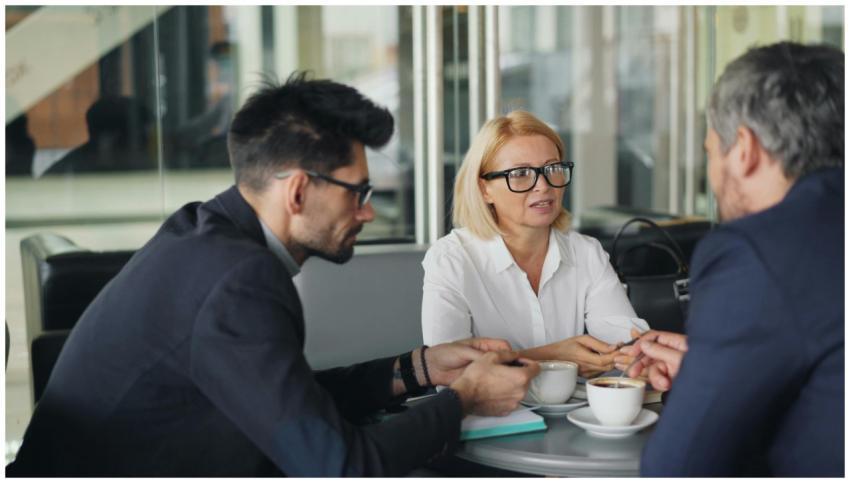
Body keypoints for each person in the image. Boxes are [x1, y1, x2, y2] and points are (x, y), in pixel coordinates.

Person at [7, 72, 539, 477]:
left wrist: (419, 369)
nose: (368, 213)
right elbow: (339, 467)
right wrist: (463, 399)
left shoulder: (208, 232)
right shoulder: (238, 280)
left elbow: (290, 404)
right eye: (358, 193)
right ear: (299, 192)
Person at [620, 42, 844, 476]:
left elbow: (677, 468)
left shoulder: (754, 251)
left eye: (710, 152)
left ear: (744, 148)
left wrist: (704, 385)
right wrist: (718, 365)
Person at [421, 110, 649, 377]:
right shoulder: (451, 259)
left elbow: (626, 341)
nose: (543, 185)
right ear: (485, 189)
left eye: (552, 169)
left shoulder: (586, 252)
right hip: (490, 417)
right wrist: (552, 356)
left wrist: (632, 354)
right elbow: (446, 372)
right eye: (520, 173)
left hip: (571, 415)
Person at [43, 96, 156, 175]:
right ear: (110, 139)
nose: (146, 148)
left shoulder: (65, 170)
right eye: (142, 139)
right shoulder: (66, 176)